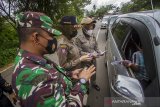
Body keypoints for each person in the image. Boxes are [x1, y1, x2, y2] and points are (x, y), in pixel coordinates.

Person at [12, 11, 96, 107]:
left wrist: (70, 74)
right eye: (50, 35)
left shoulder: (31, 59)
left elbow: (50, 74)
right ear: (36, 38)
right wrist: (82, 81)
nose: (53, 40)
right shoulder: (34, 77)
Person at [74, 17, 104, 91]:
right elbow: (79, 52)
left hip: (93, 60)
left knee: (93, 73)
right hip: (85, 62)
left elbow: (96, 46)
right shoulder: (79, 38)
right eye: (89, 25)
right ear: (84, 26)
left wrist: (99, 52)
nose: (91, 27)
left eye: (92, 25)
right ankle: (85, 88)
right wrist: (90, 54)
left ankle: (94, 83)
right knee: (85, 75)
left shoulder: (92, 35)